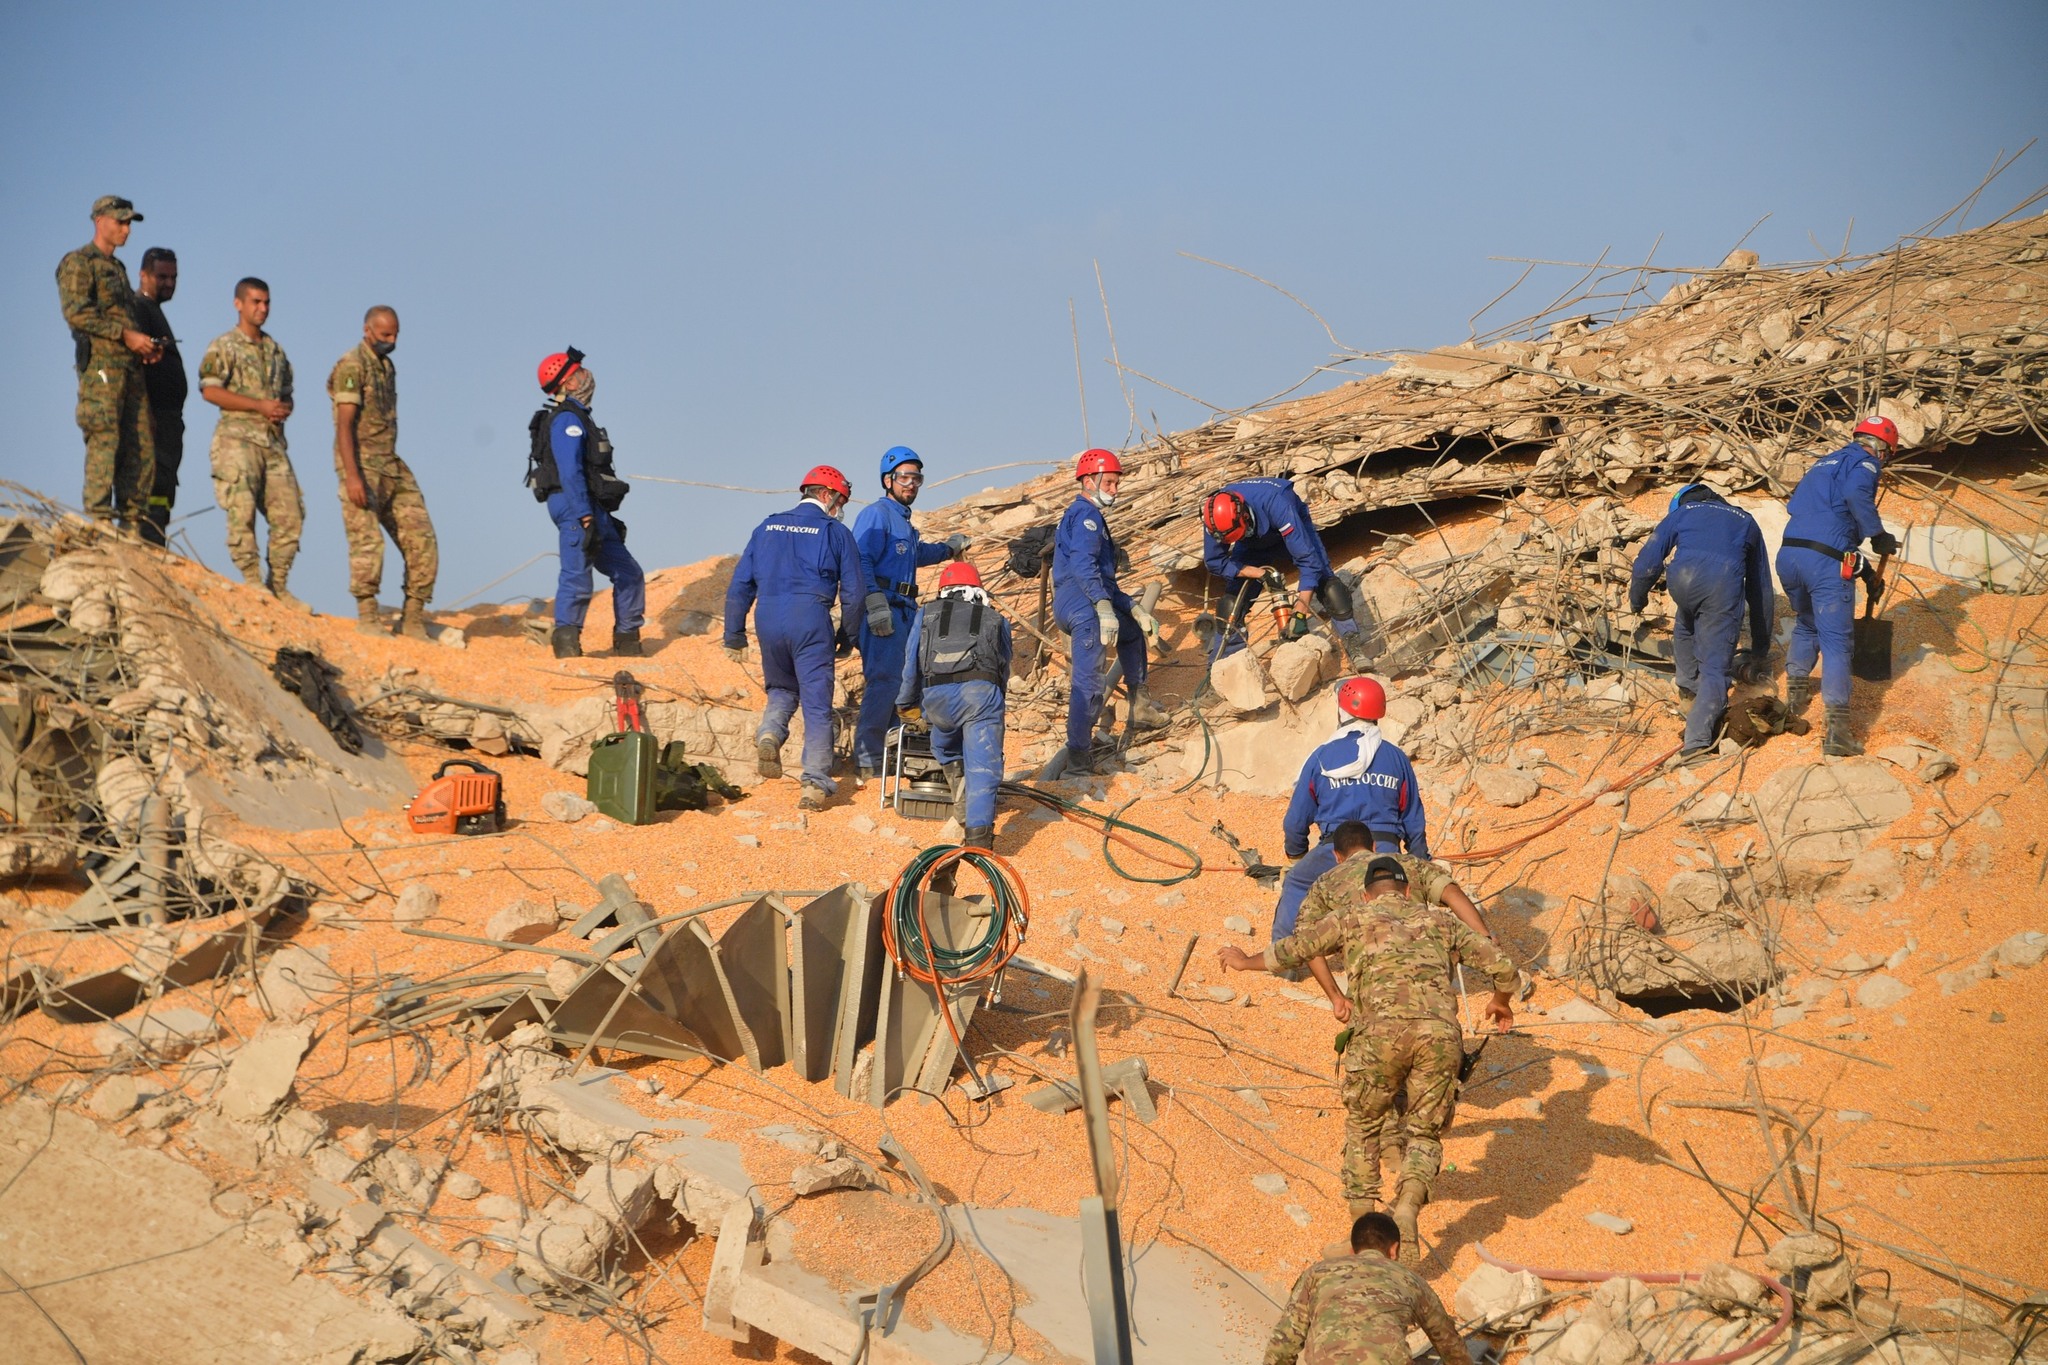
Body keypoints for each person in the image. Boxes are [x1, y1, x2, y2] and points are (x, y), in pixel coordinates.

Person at [1220, 843, 1516, 1255]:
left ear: (1365, 894)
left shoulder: (1350, 917)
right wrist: (1500, 1002)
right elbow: (1504, 966)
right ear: (1408, 892)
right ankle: (1408, 1207)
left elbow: (1293, 950)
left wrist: (1243, 960)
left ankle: (1364, 1234)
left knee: (1364, 1129)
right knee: (1425, 1132)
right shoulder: (1441, 924)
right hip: (1439, 1037)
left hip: (1377, 1036)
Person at [724, 466, 865, 810]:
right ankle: (814, 784)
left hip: (768, 618)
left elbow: (741, 584)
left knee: (782, 688)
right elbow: (855, 593)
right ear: (826, 494)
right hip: (810, 618)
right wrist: (848, 634)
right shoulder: (835, 532)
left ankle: (770, 733)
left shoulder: (766, 526)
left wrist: (734, 635)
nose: (841, 507)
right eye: (841, 500)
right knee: (817, 706)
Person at [1776, 416, 1902, 757]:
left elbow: (1822, 525)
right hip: (1825, 561)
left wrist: (1865, 571)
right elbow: (1854, 495)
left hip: (1790, 554)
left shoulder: (1824, 463)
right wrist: (1877, 535)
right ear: (1884, 449)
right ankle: (1837, 734)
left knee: (1807, 623)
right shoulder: (1865, 462)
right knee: (1836, 643)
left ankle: (1794, 700)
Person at [1273, 677, 1432, 942]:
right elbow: (1413, 818)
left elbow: (1295, 820)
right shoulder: (1396, 758)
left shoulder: (1322, 756)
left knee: (1298, 882)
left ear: (1342, 710)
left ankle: (1284, 958)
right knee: (1404, 900)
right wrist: (1420, 861)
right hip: (1385, 849)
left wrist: (1296, 854)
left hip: (1337, 850)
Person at [1628, 483, 1774, 761]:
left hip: (1681, 581)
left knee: (1686, 622)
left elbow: (1647, 562)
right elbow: (1760, 590)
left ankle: (1688, 689)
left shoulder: (1683, 513)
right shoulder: (1746, 522)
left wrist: (1637, 599)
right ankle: (1697, 744)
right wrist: (1760, 647)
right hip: (1720, 586)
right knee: (1716, 670)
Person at [852, 445, 967, 781]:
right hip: (883, 608)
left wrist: (949, 548)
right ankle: (868, 759)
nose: (911, 484)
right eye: (904, 477)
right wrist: (873, 602)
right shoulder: (876, 514)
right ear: (888, 480)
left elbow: (915, 554)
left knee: (902, 685)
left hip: (904, 610)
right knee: (884, 682)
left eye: (916, 478)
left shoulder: (903, 522)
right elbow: (861, 559)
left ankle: (890, 759)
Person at [1053, 448, 1167, 774]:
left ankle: (1140, 705)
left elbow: (1105, 580)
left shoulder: (1092, 518)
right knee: (1089, 682)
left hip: (1085, 596)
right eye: (1110, 482)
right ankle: (1077, 759)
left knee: (1131, 633)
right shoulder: (1087, 517)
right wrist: (1101, 605)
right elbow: (1083, 565)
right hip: (1080, 602)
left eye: (1117, 482)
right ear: (1089, 480)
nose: (1115, 489)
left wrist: (1133, 608)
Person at [329, 307, 439, 638]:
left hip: (389, 461)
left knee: (422, 536)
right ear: (367, 330)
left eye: (395, 335)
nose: (391, 341)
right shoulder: (352, 365)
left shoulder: (386, 367)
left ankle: (413, 618)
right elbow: (343, 424)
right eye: (385, 335)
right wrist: (351, 475)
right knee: (367, 543)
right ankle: (368, 616)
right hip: (360, 462)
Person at [528, 348, 644, 658]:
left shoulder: (580, 417)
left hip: (592, 508)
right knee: (577, 574)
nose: (587, 376)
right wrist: (583, 515)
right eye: (580, 372)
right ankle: (567, 646)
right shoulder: (567, 419)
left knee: (629, 573)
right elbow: (569, 470)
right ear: (569, 383)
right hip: (575, 505)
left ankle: (628, 639)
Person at [55, 195, 159, 531]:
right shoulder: (79, 262)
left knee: (140, 446)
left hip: (130, 371)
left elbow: (123, 317)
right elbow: (77, 313)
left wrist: (143, 345)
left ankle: (132, 526)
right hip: (101, 370)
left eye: (130, 223)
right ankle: (100, 520)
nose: (127, 230)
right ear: (100, 220)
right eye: (121, 222)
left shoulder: (117, 269)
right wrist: (125, 335)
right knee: (105, 437)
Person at [199, 278, 303, 605]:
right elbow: (210, 390)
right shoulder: (224, 346)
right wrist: (258, 405)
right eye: (256, 302)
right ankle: (252, 579)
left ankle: (279, 585)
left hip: (271, 443)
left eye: (266, 302)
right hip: (237, 438)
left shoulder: (275, 351)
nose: (262, 309)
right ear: (239, 304)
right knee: (241, 510)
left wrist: (281, 409)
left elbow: (287, 393)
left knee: (291, 512)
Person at [897, 560, 1012, 850]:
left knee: (944, 746)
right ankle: (979, 839)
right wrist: (997, 703)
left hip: (937, 698)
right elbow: (1004, 667)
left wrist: (906, 704)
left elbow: (912, 662)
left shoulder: (926, 614)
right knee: (983, 767)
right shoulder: (995, 618)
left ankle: (959, 789)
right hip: (981, 696)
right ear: (977, 589)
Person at [1201, 479, 1373, 667]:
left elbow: (1308, 560)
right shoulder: (1216, 518)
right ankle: (1220, 669)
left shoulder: (1277, 504)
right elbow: (1215, 562)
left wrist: (1300, 611)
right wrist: (1256, 573)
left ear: (1244, 517)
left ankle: (1355, 649)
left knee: (1328, 584)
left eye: (1237, 535)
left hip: (1286, 529)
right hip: (1251, 545)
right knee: (1231, 605)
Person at [1264, 1212, 1472, 1365]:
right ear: (1394, 1249)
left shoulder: (1317, 1273)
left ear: (1353, 1250)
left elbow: (1283, 1345)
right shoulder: (1410, 1279)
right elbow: (1449, 1344)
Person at [131, 246, 186, 545]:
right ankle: (145, 543)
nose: (169, 283)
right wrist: (146, 411)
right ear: (143, 275)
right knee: (149, 484)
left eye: (173, 277)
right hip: (152, 419)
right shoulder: (139, 309)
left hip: (168, 422)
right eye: (162, 276)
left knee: (164, 488)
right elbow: (135, 364)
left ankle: (154, 542)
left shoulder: (155, 311)